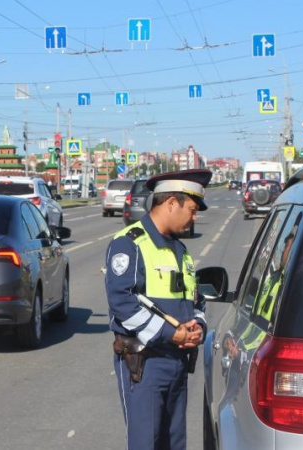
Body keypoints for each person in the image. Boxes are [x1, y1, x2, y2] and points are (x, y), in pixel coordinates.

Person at [104, 168, 211, 450]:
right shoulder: (129, 244)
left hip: (177, 363)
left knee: (174, 443)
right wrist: (170, 334)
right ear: (171, 203)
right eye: (191, 209)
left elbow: (194, 299)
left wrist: (197, 326)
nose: (195, 217)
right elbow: (122, 304)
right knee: (146, 443)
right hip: (145, 365)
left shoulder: (180, 251)